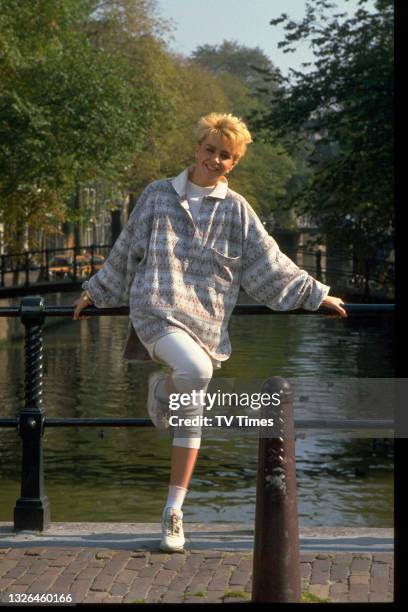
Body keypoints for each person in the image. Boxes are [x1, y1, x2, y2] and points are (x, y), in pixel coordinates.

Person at [72, 112, 347, 553]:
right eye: (211, 150)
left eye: (226, 156)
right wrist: (94, 291)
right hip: (157, 308)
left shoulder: (237, 210)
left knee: (194, 398)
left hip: (207, 320)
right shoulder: (158, 195)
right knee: (196, 371)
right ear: (197, 148)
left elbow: (269, 261)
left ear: (234, 162)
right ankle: (163, 391)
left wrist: (317, 294)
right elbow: (124, 251)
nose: (215, 160)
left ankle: (173, 512)